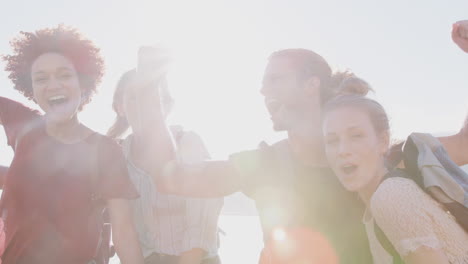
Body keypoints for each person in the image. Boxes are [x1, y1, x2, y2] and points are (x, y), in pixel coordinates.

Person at [147, 48, 374, 263]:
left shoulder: (364, 157)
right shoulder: (265, 163)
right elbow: (171, 180)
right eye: (264, 82)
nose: (263, 90)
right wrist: (148, 88)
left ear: (311, 85)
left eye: (275, 79)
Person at [0, 25, 144, 264]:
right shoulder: (24, 124)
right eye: (41, 78)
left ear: (83, 83)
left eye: (64, 75)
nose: (53, 84)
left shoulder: (105, 149)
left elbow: (124, 231)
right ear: (32, 89)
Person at [322, 94, 468, 264]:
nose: (342, 150)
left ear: (383, 141)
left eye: (356, 136)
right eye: (332, 140)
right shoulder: (382, 201)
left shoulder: (390, 196)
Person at [107, 65, 223, 264]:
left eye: (151, 97)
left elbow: (199, 229)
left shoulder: (188, 143)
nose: (142, 105)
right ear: (120, 106)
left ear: (167, 105)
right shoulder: (116, 159)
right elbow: (123, 232)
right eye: (133, 97)